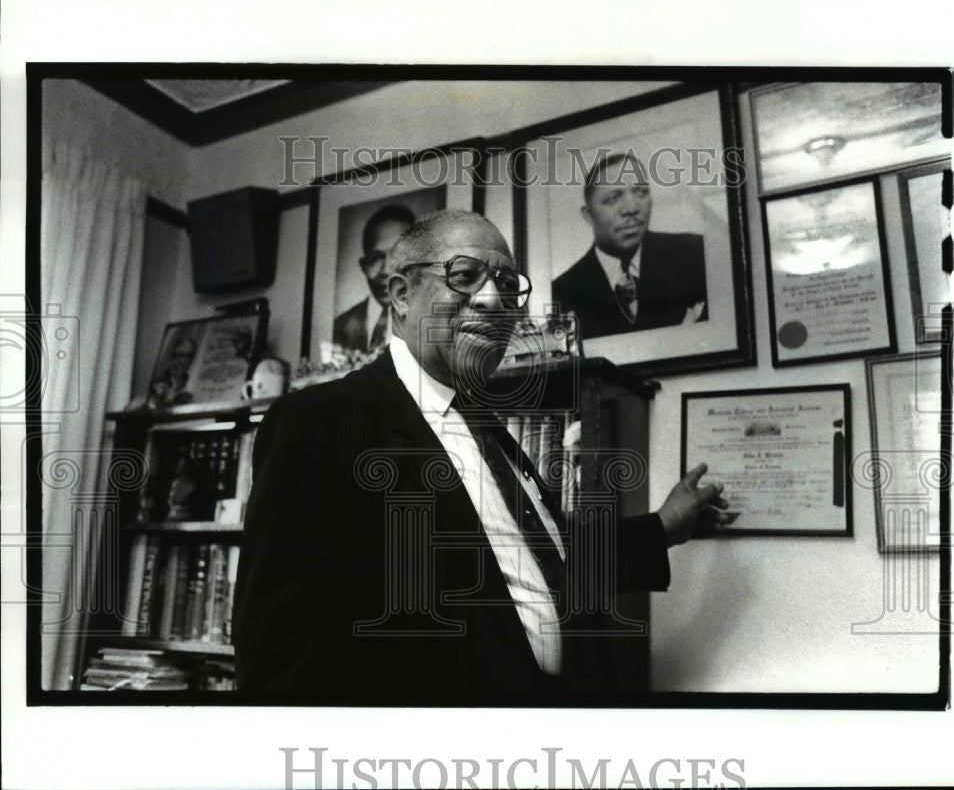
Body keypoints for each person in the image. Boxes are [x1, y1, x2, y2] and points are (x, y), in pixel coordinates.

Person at [234, 209, 732, 703]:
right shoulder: (320, 423)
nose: (495, 301)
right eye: (466, 276)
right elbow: (280, 654)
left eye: (508, 284)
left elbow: (546, 557)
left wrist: (665, 526)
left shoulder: (489, 430)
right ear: (402, 294)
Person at [552, 153, 709, 340]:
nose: (632, 208)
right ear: (588, 215)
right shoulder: (562, 291)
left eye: (641, 192)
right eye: (612, 199)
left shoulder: (696, 253)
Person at [332, 203, 416, 353]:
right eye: (376, 258)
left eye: (398, 256)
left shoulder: (432, 323)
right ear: (363, 265)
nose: (386, 271)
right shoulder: (340, 325)